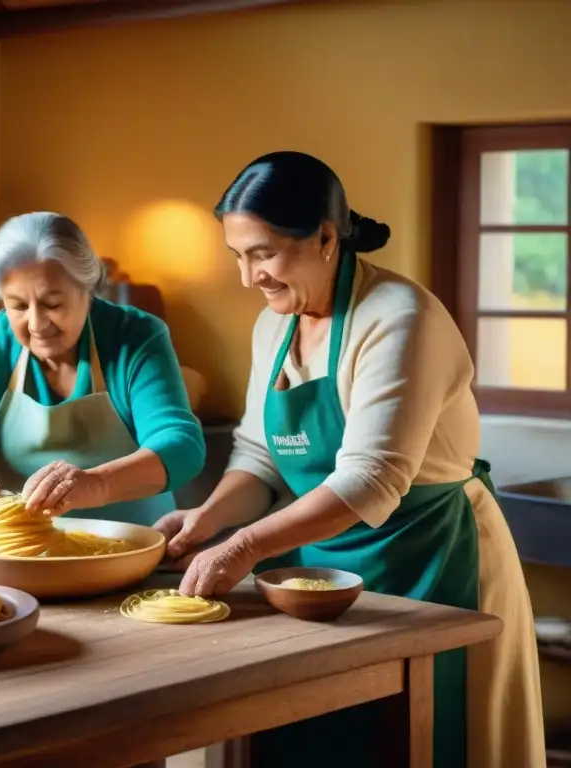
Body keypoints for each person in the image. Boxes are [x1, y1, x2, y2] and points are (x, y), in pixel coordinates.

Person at [154, 151, 546, 768]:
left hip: (433, 560)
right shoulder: (273, 324)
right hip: (319, 568)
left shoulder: (398, 317)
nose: (248, 276)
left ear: (327, 237)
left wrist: (245, 546)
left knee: (425, 739)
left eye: (263, 253)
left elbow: (371, 480)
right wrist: (206, 519)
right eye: (238, 256)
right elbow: (260, 454)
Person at [0, 211, 205, 525]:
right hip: (20, 560)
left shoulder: (135, 336)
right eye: (18, 306)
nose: (36, 324)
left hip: (134, 546)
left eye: (52, 304)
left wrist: (97, 485)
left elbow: (181, 445)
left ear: (87, 290)